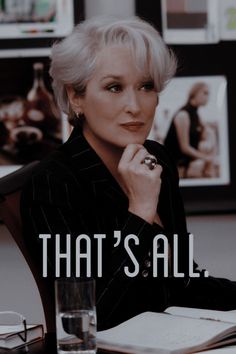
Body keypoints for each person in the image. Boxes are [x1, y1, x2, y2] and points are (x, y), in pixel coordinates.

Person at [20, 16, 236, 331]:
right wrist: (140, 212)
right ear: (76, 96)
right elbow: (83, 319)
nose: (134, 105)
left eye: (146, 86)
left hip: (170, 338)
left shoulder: (156, 158)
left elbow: (182, 281)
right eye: (114, 87)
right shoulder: (53, 185)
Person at [164, 82, 218, 178]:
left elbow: (208, 132)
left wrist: (208, 139)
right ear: (194, 93)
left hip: (185, 163)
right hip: (174, 166)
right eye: (205, 93)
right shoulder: (183, 115)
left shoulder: (196, 114)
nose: (208, 97)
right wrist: (207, 158)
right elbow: (185, 148)